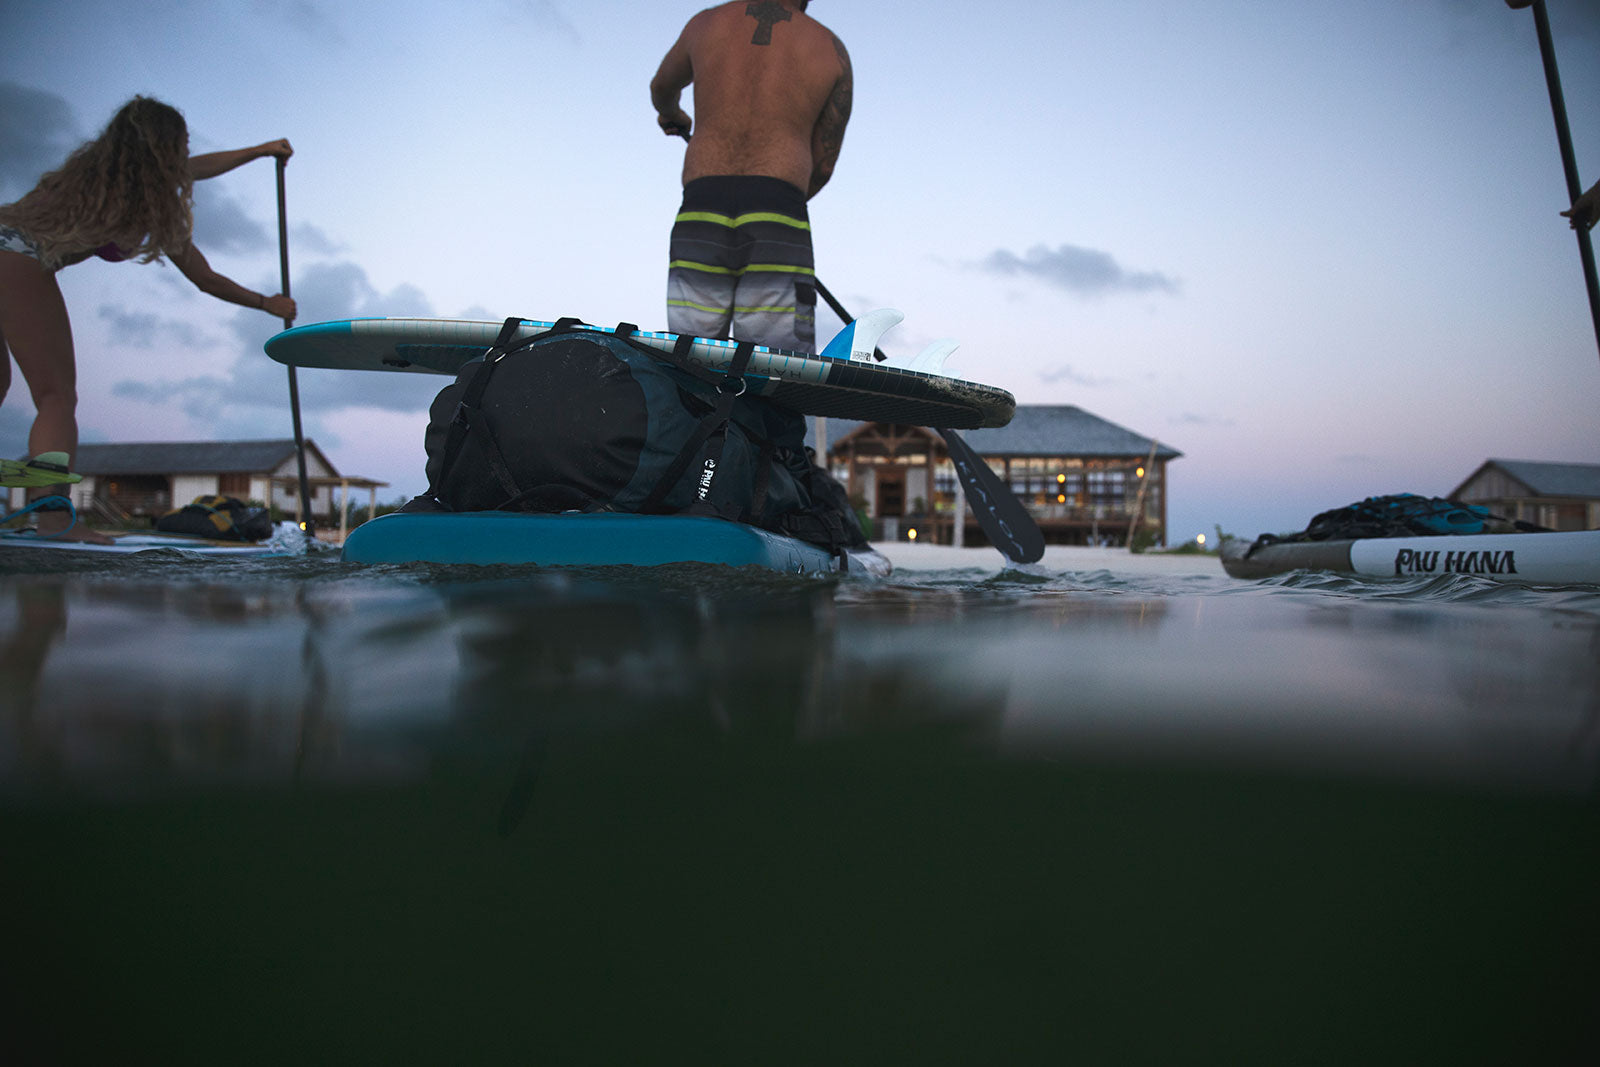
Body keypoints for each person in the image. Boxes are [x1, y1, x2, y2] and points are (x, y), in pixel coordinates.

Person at [0, 96, 295, 541]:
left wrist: (258, 151)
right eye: (182, 145)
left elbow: (195, 168)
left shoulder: (92, 177)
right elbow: (204, 278)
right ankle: (55, 521)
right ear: (166, 149)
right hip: (15, 258)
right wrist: (266, 303)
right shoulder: (147, 203)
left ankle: (49, 514)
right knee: (56, 398)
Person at [651, 0, 851, 354]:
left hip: (702, 205)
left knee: (691, 364)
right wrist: (772, 207)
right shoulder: (829, 49)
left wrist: (673, 114)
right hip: (778, 210)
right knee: (776, 371)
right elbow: (823, 165)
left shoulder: (705, 24)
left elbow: (662, 87)